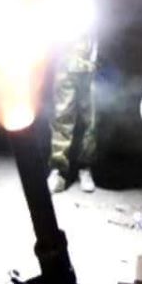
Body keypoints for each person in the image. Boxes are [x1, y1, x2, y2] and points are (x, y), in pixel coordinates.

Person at [48, 31, 99, 193]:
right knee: (62, 116)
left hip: (91, 65)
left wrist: (96, 57)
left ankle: (85, 167)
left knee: (91, 120)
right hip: (65, 63)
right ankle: (58, 169)